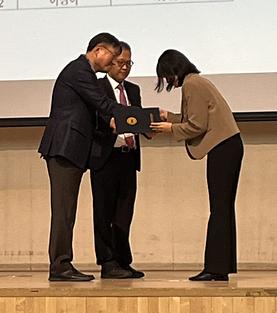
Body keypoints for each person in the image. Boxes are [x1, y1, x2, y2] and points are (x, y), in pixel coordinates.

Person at [38, 32, 125, 282]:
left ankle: (62, 263)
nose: (113, 64)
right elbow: (103, 104)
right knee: (64, 211)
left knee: (67, 210)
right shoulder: (79, 70)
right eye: (112, 57)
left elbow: (96, 113)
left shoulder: (84, 73)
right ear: (98, 50)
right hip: (64, 148)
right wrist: (138, 117)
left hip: (72, 150)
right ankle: (59, 266)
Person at [150, 49, 244, 281]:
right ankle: (220, 268)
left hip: (223, 148)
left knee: (219, 208)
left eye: (167, 76)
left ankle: (215, 268)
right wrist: (168, 117)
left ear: (174, 71)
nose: (168, 82)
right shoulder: (197, 82)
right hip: (228, 146)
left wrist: (170, 129)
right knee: (223, 208)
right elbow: (192, 119)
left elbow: (197, 125)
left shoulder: (193, 84)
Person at [89, 41, 144, 279]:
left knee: (124, 212)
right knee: (103, 212)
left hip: (128, 158)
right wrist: (114, 127)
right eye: (120, 63)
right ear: (110, 62)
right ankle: (107, 262)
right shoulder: (96, 87)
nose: (125, 68)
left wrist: (147, 125)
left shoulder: (133, 90)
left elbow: (138, 119)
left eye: (129, 63)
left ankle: (123, 260)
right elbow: (93, 121)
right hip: (105, 156)